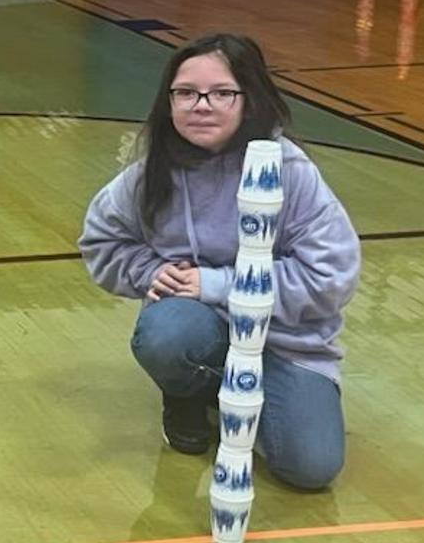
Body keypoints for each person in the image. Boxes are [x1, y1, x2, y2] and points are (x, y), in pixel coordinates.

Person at [80, 33, 359, 490]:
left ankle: (261, 392)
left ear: (250, 100)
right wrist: (149, 272)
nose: (201, 105)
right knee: (169, 334)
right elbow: (101, 240)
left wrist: (215, 284)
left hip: (288, 342)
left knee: (311, 468)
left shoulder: (291, 173)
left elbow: (331, 277)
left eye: (221, 93)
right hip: (202, 327)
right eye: (185, 93)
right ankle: (189, 390)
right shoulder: (153, 174)